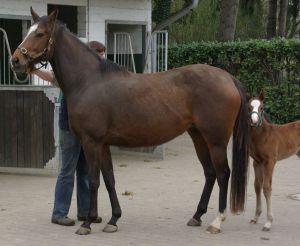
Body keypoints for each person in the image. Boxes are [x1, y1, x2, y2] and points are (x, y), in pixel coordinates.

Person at [30, 41, 106, 226]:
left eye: (103, 54)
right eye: (99, 54)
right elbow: (51, 77)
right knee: (67, 171)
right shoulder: (73, 73)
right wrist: (34, 71)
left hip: (87, 129)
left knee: (85, 171)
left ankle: (86, 211)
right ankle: (59, 213)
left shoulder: (96, 74)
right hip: (70, 126)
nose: (102, 58)